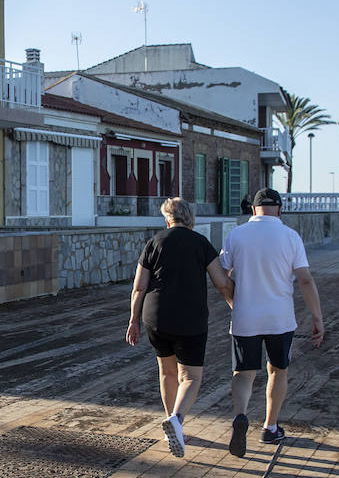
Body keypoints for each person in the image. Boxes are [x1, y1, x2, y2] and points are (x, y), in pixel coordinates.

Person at [219, 187, 325, 457]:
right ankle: (270, 427)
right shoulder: (290, 237)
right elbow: (305, 280)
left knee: (243, 374)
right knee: (278, 371)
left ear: (254, 210)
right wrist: (317, 318)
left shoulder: (237, 234)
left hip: (245, 317)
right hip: (280, 319)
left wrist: (233, 298)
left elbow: (220, 273)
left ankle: (241, 416)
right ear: (279, 209)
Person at [126, 197, 234, 457]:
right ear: (191, 219)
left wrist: (133, 321)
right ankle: (176, 419)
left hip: (156, 318)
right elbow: (221, 282)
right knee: (191, 377)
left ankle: (171, 423)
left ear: (167, 219)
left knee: (167, 373)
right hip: (190, 319)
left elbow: (139, 287)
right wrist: (236, 302)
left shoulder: (154, 242)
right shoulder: (201, 243)